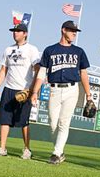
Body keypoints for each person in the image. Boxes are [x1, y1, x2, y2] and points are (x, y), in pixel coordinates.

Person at [31, 20, 92, 165]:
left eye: (76, 32)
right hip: (54, 89)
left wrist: (89, 95)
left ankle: (56, 153)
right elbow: (42, 73)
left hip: (72, 89)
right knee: (53, 124)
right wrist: (35, 91)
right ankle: (60, 150)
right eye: (72, 31)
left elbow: (84, 73)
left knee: (64, 122)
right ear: (63, 30)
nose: (74, 34)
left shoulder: (79, 51)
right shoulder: (50, 50)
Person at [0, 23, 40, 159]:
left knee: (24, 121)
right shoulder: (8, 49)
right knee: (4, 120)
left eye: (18, 31)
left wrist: (32, 89)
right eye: (14, 31)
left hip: (24, 89)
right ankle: (2, 148)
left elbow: (37, 70)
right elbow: (3, 69)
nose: (15, 33)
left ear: (25, 34)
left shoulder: (32, 49)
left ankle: (27, 149)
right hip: (9, 89)